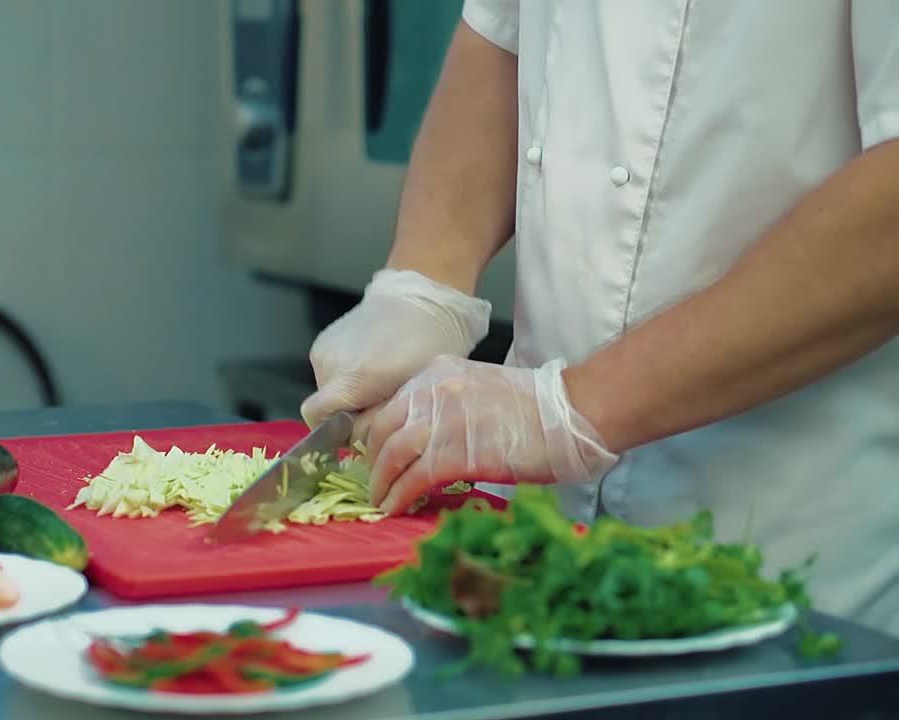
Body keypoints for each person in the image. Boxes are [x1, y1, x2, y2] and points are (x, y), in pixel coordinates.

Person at [300, 1, 899, 636]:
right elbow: (500, 37)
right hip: (534, 547)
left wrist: (565, 408)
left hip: (786, 548)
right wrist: (423, 282)